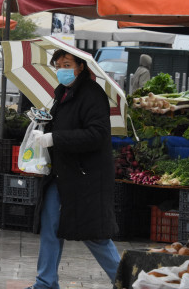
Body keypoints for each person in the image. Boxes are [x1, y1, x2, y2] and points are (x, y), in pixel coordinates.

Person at [27, 49, 120, 289]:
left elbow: (97, 135)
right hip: (61, 174)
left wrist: (54, 139)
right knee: (51, 228)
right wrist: (44, 125)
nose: (62, 69)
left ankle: (127, 281)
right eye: (58, 65)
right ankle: (45, 283)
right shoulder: (62, 94)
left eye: (67, 64)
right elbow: (63, 125)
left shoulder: (92, 95)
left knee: (95, 235)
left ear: (81, 67)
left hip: (86, 177)